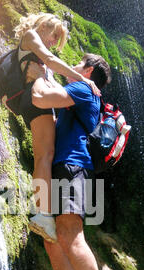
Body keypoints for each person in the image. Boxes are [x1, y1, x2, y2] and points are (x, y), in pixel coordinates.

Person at [29, 53, 116, 270]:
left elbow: (41, 99)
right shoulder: (78, 90)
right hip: (59, 167)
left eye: (77, 64)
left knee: (69, 234)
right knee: (52, 238)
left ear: (88, 70)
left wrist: (39, 73)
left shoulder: (81, 86)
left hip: (72, 165)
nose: (72, 66)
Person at [13, 13, 100, 243]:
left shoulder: (36, 49)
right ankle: (42, 213)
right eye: (54, 36)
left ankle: (44, 212)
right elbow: (51, 61)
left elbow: (48, 71)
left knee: (46, 156)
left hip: (36, 100)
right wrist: (83, 80)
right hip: (35, 101)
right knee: (44, 156)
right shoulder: (31, 36)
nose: (53, 43)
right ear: (43, 27)